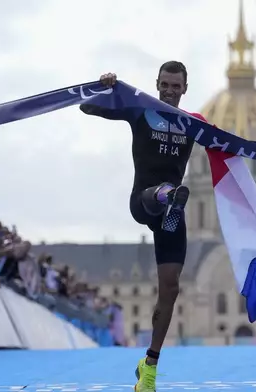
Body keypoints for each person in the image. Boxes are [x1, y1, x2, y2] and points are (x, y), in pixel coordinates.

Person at [79, 61, 206, 392]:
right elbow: (86, 106)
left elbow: (227, 146)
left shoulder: (193, 124)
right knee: (160, 196)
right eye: (165, 84)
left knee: (171, 288)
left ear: (185, 89)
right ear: (157, 83)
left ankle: (148, 366)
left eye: (176, 86)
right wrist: (105, 86)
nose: (169, 90)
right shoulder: (140, 109)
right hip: (144, 201)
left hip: (170, 218)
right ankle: (168, 195)